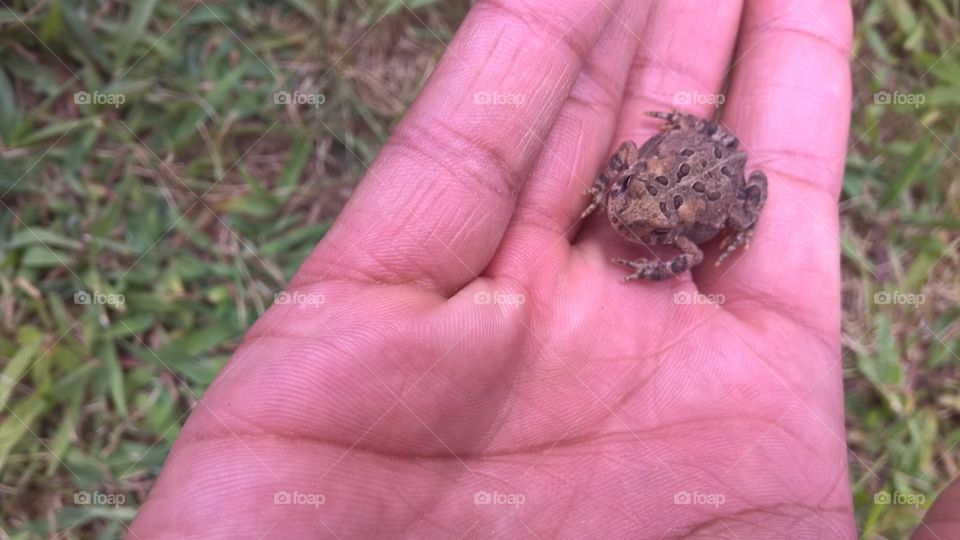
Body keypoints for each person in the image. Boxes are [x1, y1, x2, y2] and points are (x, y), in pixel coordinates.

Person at [129, 1, 960, 537]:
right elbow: (628, 158)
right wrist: (621, 196)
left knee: (748, 183)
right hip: (680, 161)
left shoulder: (673, 237)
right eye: (625, 212)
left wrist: (690, 247)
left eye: (637, 223)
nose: (626, 223)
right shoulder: (630, 193)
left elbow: (684, 242)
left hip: (704, 174)